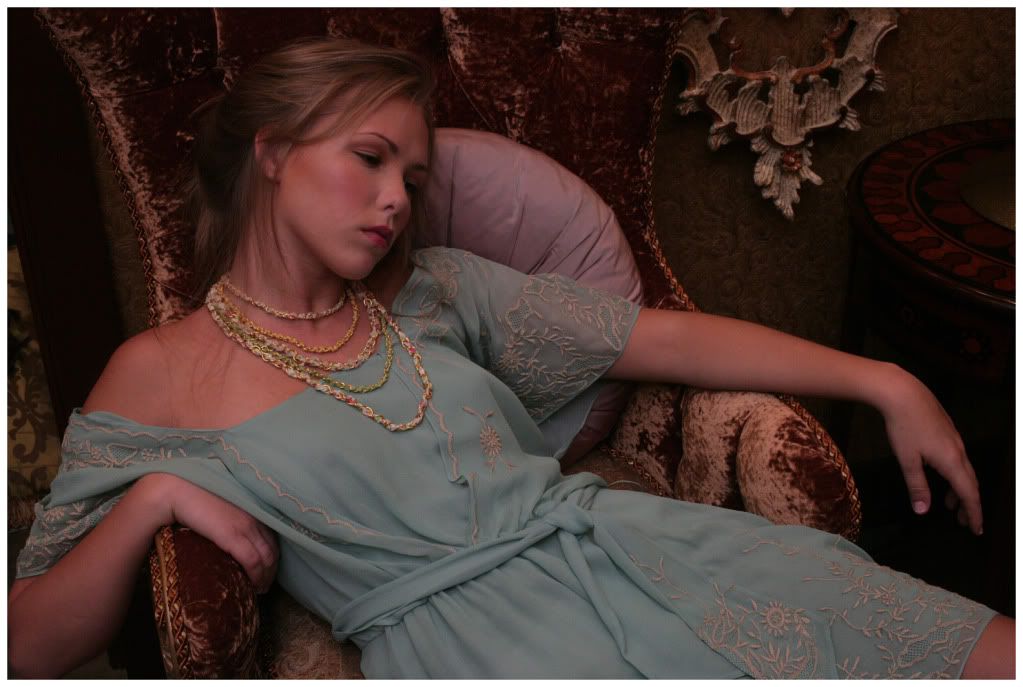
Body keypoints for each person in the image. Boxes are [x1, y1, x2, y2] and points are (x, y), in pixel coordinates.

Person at [8, 37, 1014, 679]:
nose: (394, 199)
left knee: (971, 648)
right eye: (368, 159)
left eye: (411, 178)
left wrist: (884, 379)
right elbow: (29, 643)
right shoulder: (164, 372)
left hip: (643, 551)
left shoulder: (438, 288)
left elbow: (663, 334)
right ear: (271, 153)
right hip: (478, 645)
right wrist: (152, 498)